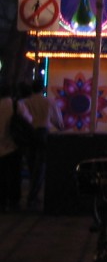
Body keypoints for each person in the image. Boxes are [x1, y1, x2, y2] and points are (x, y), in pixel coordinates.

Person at [17, 79, 64, 208]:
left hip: (29, 133)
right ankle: (33, 195)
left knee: (31, 163)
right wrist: (61, 128)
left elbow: (22, 117)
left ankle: (32, 194)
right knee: (41, 164)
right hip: (43, 134)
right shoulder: (49, 102)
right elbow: (58, 121)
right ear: (43, 89)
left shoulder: (25, 102)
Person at [0, 82, 23, 212]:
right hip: (13, 145)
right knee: (14, 174)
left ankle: (2, 200)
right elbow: (28, 119)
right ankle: (14, 200)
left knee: (1, 175)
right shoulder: (16, 105)